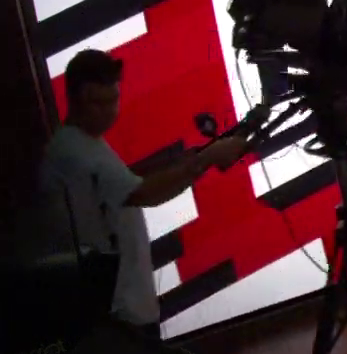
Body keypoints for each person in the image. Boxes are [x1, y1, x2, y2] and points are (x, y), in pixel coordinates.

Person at [37, 49, 249, 337]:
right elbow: (144, 194)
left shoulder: (77, 144)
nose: (115, 110)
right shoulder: (79, 152)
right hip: (120, 314)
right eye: (109, 100)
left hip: (119, 307)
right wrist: (207, 158)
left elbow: (122, 185)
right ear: (86, 97)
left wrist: (187, 164)